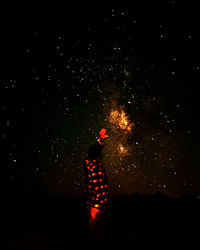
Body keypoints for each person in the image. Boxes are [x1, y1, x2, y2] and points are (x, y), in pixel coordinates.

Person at [84, 128, 109, 230]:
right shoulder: (96, 167)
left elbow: (94, 150)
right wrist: (105, 206)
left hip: (92, 204)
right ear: (98, 155)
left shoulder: (89, 164)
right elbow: (99, 187)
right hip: (97, 206)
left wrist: (100, 139)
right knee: (97, 231)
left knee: (94, 230)